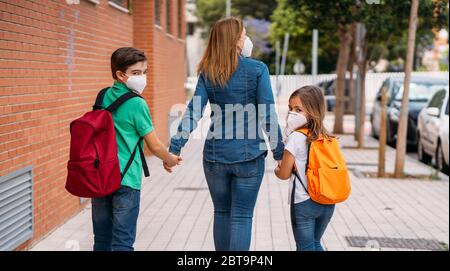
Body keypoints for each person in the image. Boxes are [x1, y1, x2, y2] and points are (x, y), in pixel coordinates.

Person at [167, 17, 284, 251]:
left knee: (221, 212)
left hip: (214, 156)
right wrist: (279, 152)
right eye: (242, 34)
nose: (246, 38)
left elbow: (193, 112)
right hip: (249, 156)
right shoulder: (257, 69)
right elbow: (267, 114)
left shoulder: (208, 72)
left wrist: (174, 147)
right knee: (241, 216)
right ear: (235, 41)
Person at [92, 47, 181, 251]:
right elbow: (155, 145)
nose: (142, 78)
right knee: (123, 242)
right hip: (126, 179)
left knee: (102, 240)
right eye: (136, 73)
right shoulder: (136, 104)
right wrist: (170, 159)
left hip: (99, 175)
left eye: (144, 72)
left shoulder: (102, 96)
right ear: (120, 75)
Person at [274, 85, 335, 251]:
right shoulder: (327, 137)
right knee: (315, 243)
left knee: (305, 247)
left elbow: (284, 174)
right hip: (327, 200)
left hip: (304, 202)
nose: (292, 113)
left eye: (298, 109)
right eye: (290, 108)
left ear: (312, 110)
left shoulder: (295, 137)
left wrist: (277, 167)